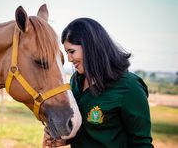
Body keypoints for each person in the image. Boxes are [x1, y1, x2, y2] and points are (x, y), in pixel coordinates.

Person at [43, 18, 154, 148]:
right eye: (67, 53)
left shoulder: (129, 87)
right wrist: (66, 141)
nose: (69, 59)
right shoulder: (75, 81)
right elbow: (87, 131)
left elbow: (141, 144)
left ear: (90, 47)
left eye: (72, 51)